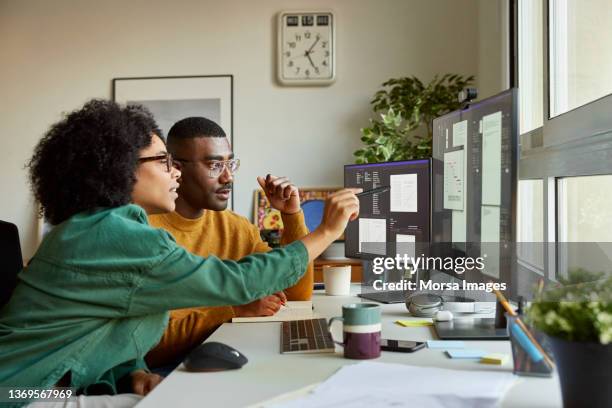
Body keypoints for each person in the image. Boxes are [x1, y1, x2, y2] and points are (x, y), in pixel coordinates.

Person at [0, 100, 360, 407]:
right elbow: (239, 281)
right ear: (120, 168)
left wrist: (134, 373)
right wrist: (327, 231)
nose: (174, 172)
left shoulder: (101, 227)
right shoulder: (113, 234)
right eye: (162, 161)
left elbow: (102, 330)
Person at [145, 117, 313, 367]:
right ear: (176, 169)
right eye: (214, 165)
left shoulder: (236, 227)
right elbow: (148, 345)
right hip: (168, 370)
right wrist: (234, 310)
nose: (228, 178)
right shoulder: (143, 231)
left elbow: (296, 293)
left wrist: (291, 216)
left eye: (230, 164)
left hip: (228, 351)